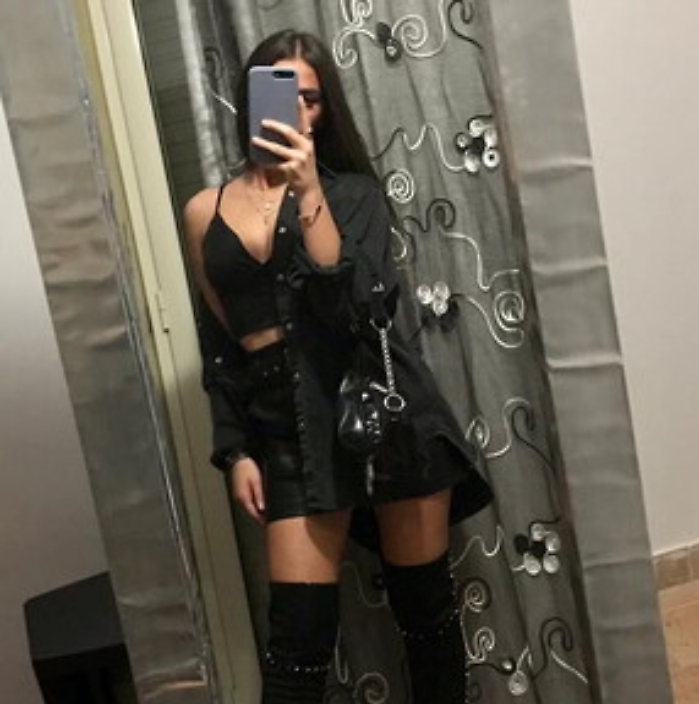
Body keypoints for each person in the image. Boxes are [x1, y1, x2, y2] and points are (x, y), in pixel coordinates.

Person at [184, 29, 492, 704]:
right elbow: (221, 344)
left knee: (427, 621)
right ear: (250, 98)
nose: (297, 110)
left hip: (384, 417)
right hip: (288, 430)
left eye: (312, 99)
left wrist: (307, 191)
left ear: (326, 111)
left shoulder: (352, 195)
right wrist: (236, 449)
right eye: (280, 92)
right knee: (296, 652)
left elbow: (360, 308)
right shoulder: (205, 211)